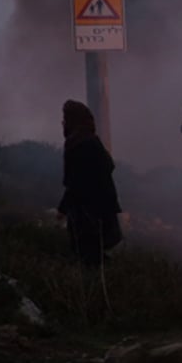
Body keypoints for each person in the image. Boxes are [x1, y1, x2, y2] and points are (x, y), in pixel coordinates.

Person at [58, 99, 122, 267]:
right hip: (93, 211)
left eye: (66, 118)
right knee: (91, 256)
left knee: (89, 257)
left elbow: (77, 182)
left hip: (89, 213)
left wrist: (63, 208)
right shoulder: (89, 142)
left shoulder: (81, 146)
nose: (63, 122)